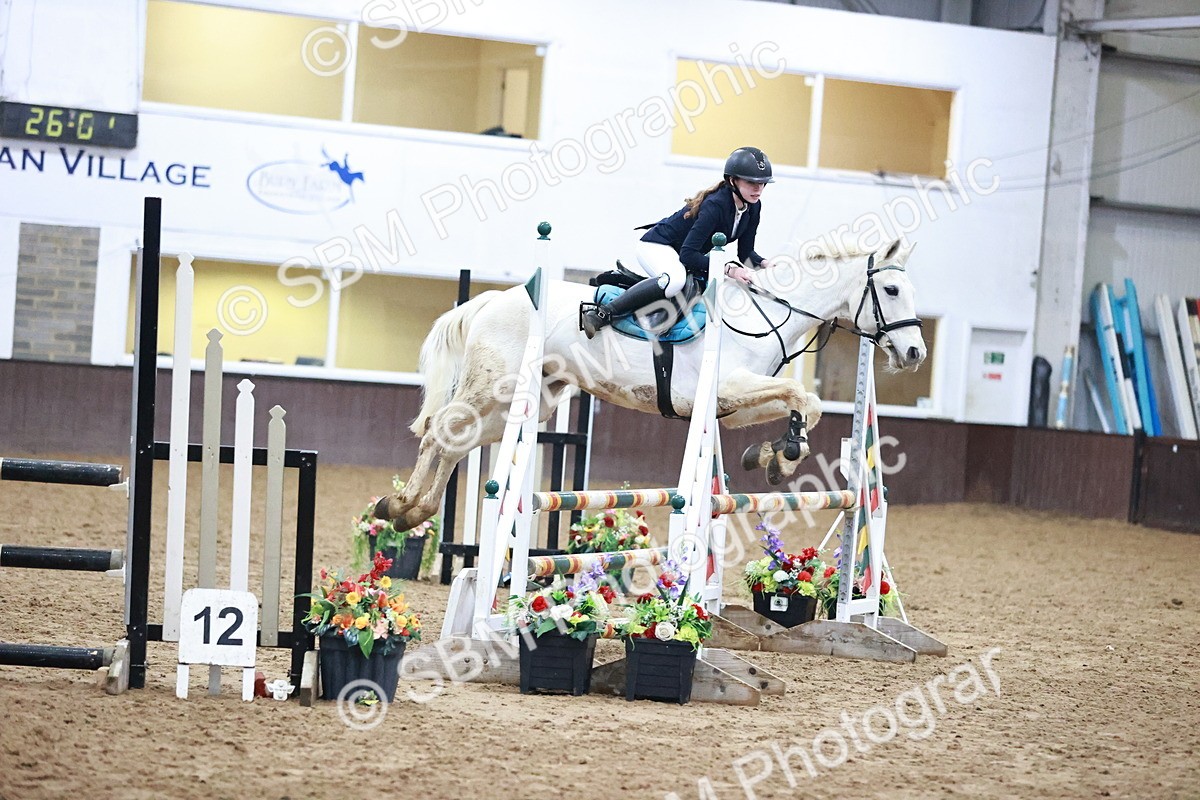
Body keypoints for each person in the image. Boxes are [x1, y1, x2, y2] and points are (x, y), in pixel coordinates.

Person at [581, 146, 776, 339]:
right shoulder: (716, 205)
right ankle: (602, 314)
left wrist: (766, 264)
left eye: (763, 183)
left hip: (681, 253)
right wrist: (729, 270)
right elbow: (688, 255)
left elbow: (746, 253)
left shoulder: (753, 207)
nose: (758, 188)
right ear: (733, 181)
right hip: (657, 245)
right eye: (751, 182)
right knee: (675, 281)